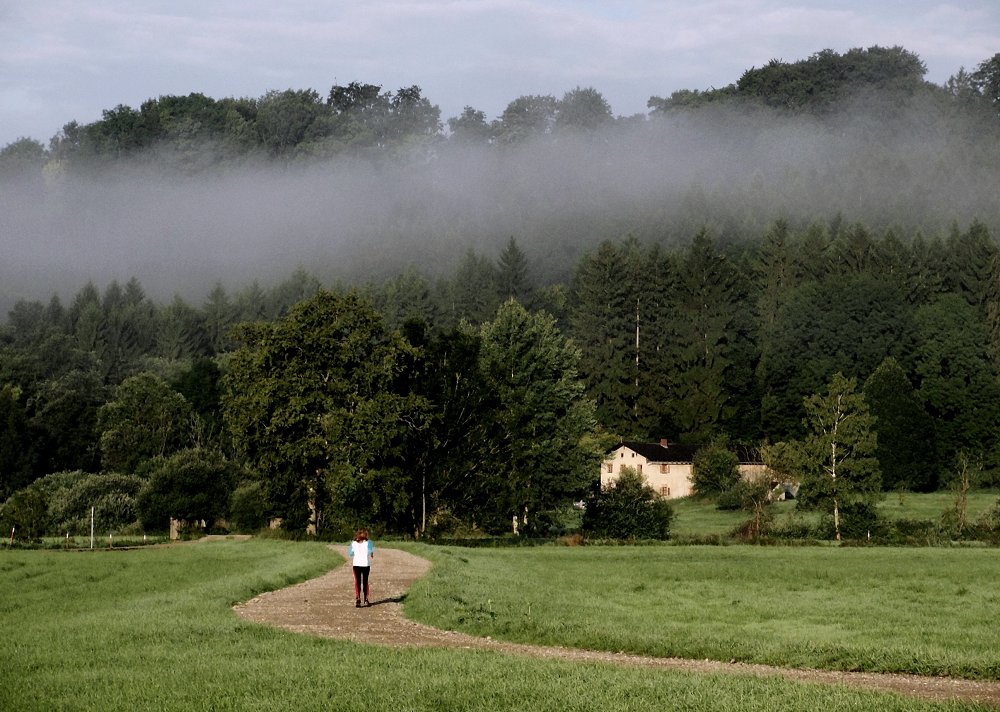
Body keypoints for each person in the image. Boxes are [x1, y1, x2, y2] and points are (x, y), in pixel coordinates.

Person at [348, 528, 374, 607]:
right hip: (366, 564)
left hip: (356, 564)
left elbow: (350, 553)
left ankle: (358, 599)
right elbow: (370, 552)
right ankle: (366, 599)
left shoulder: (353, 543)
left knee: (357, 581)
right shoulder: (369, 542)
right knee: (365, 581)